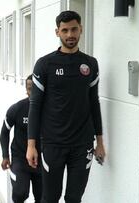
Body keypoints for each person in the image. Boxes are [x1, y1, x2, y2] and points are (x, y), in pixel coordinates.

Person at [26, 11, 106, 203]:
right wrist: (31, 145)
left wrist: (100, 142)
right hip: (53, 144)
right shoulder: (45, 64)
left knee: (74, 197)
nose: (70, 34)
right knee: (50, 197)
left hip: (83, 144)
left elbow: (94, 103)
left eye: (74, 29)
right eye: (65, 30)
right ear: (57, 32)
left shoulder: (90, 64)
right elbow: (35, 105)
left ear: (81, 30)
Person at [0, 75, 42, 203]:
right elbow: (4, 133)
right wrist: (5, 156)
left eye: (35, 89)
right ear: (26, 90)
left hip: (42, 160)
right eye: (29, 89)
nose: (32, 92)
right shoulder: (17, 109)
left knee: (44, 198)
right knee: (20, 193)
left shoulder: (49, 110)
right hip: (20, 159)